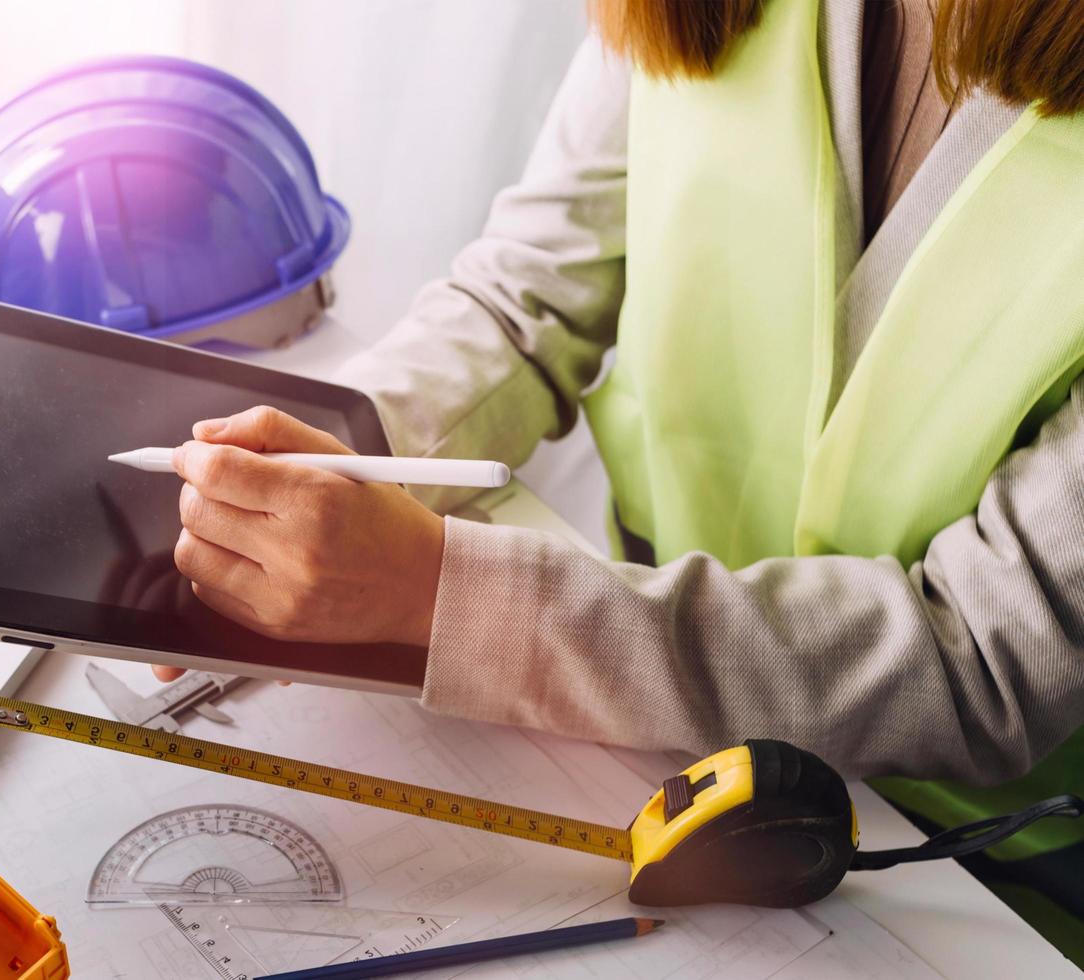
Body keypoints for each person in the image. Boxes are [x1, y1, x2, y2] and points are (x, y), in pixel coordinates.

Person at [155, 0, 1084, 935]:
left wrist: (448, 597)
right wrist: (302, 475)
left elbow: (983, 655)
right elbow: (525, 301)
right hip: (641, 731)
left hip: (968, 865)